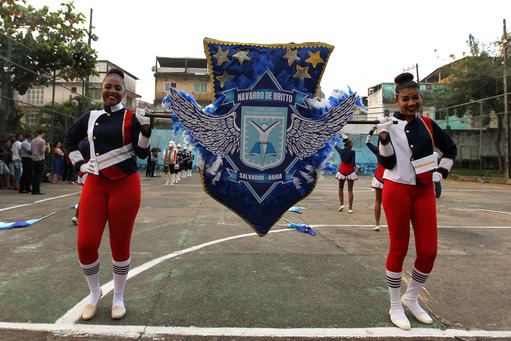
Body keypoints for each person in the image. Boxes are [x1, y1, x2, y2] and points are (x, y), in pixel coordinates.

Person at [64, 68, 151, 321]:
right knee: (86, 243)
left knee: (119, 245)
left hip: (125, 184)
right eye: (108, 86)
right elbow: (69, 141)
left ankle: (118, 297)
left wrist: (145, 131)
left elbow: (142, 154)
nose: (112, 91)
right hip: (95, 184)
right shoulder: (90, 117)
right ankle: (94, 293)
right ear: (101, 90)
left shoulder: (133, 117)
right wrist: (80, 165)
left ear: (124, 93)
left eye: (117, 88)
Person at [377, 73, 457, 330]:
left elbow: (451, 150)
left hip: (423, 190)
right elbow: (387, 162)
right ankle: (395, 305)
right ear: (396, 100)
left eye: (415, 98)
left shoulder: (429, 124)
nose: (411, 103)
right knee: (399, 248)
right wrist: (384, 137)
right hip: (396, 189)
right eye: (405, 99)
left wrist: (441, 172)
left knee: (429, 251)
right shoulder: (388, 124)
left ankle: (411, 297)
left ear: (420, 97)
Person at [334, 138, 361, 213]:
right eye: (351, 143)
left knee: (340, 188)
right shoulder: (352, 152)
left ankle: (341, 204)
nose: (352, 144)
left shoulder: (341, 151)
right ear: (348, 144)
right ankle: (350, 208)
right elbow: (353, 163)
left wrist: (338, 139)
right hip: (350, 172)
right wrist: (358, 168)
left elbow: (335, 146)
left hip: (342, 171)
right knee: (350, 190)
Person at [365, 127, 384, 231]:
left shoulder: (377, 150)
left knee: (378, 201)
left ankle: (377, 224)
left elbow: (367, 142)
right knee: (392, 203)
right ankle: (393, 224)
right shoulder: (393, 150)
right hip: (390, 178)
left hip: (378, 177)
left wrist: (371, 131)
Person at [31, 130, 46, 195]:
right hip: (40, 159)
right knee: (39, 175)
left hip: (34, 158)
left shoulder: (33, 140)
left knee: (34, 175)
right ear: (42, 134)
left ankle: (33, 189)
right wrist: (45, 148)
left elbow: (31, 150)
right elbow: (42, 151)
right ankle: (37, 189)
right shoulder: (42, 141)